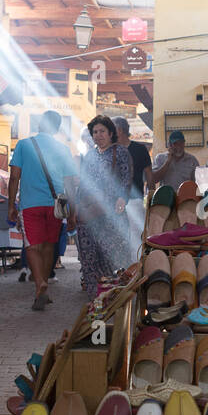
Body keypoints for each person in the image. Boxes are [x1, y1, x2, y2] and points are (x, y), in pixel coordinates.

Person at [9, 110, 76, 311]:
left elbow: (14, 177)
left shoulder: (23, 145)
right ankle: (44, 283)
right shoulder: (64, 149)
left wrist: (11, 204)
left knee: (32, 246)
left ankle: (40, 284)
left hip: (30, 204)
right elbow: (70, 183)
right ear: (57, 128)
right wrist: (72, 211)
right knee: (49, 245)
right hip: (56, 205)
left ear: (39, 124)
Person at [71, 115, 131, 296]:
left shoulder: (120, 153)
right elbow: (82, 184)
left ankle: (112, 296)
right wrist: (76, 209)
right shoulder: (89, 156)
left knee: (111, 257)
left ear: (111, 133)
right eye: (95, 132)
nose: (98, 135)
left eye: (102, 131)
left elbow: (127, 179)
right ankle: (94, 298)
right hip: (87, 214)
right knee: (88, 258)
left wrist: (122, 199)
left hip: (110, 213)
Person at [113, 116, 151, 247]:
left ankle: (136, 265)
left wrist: (151, 197)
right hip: (115, 200)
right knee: (118, 237)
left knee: (136, 237)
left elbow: (148, 174)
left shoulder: (139, 149)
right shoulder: (111, 150)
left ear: (119, 130)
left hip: (135, 200)